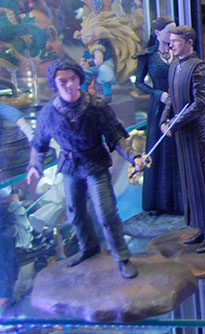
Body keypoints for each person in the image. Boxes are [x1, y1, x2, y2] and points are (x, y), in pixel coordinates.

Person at [27, 59, 146, 279]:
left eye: (73, 79)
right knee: (75, 212)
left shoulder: (96, 106)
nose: (69, 85)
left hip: (95, 163)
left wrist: (134, 156)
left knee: (106, 213)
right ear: (54, 83)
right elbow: (39, 143)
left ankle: (122, 257)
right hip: (70, 166)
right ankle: (88, 248)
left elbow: (116, 136)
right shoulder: (49, 112)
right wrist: (35, 165)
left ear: (79, 79)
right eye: (63, 81)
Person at [159, 25, 205, 254]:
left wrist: (175, 123)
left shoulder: (199, 67)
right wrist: (165, 119)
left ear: (189, 43)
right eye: (171, 41)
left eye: (176, 41)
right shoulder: (175, 65)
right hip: (183, 134)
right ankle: (201, 228)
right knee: (190, 182)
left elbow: (201, 103)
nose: (171, 45)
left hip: (198, 135)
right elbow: (171, 98)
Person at [133, 17, 182, 215]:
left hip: (178, 105)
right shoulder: (148, 56)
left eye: (174, 32)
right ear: (157, 33)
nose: (172, 36)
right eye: (169, 32)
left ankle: (180, 200)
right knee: (159, 149)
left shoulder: (177, 51)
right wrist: (156, 93)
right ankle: (159, 201)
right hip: (159, 106)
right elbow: (138, 82)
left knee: (178, 148)